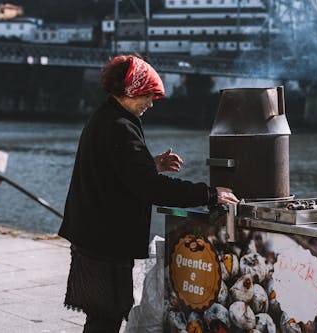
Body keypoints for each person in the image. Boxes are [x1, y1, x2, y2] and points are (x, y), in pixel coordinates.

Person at [58, 54, 239, 332]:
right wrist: (210, 194)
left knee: (102, 315)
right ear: (132, 91)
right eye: (148, 95)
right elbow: (152, 189)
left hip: (92, 234)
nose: (151, 103)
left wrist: (150, 164)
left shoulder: (106, 116)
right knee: (106, 316)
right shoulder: (120, 128)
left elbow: (114, 171)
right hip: (104, 241)